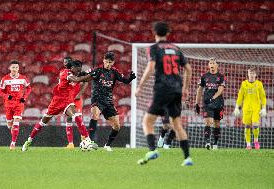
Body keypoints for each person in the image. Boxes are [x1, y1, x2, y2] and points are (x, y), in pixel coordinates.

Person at [135, 21, 193, 166]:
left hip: (162, 89)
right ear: (168, 33)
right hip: (177, 90)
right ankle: (187, 158)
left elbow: (151, 67)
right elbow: (189, 69)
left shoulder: (154, 48)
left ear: (154, 33)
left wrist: (140, 86)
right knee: (177, 124)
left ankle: (153, 149)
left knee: (147, 121)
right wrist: (185, 88)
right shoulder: (176, 48)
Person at [21, 60, 96, 151]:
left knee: (76, 116)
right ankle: (28, 140)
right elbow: (78, 79)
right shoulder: (65, 73)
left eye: (80, 70)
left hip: (67, 100)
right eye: (78, 70)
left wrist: (94, 75)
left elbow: (84, 79)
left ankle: (87, 139)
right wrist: (91, 75)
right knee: (43, 122)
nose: (79, 72)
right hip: (57, 101)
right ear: (72, 68)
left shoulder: (75, 73)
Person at [79, 51, 136, 151]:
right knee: (95, 115)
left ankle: (107, 145)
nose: (108, 64)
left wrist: (130, 78)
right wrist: (82, 73)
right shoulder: (98, 70)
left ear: (113, 62)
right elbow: (85, 74)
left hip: (108, 101)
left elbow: (125, 81)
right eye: (106, 61)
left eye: (110, 62)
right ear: (103, 60)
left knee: (117, 126)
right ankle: (89, 141)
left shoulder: (115, 72)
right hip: (97, 98)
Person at [0, 60, 32, 150]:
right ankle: (12, 131)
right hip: (8, 104)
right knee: (10, 125)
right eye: (13, 67)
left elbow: (29, 88)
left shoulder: (23, 78)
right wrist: (6, 96)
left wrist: (24, 97)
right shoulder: (5, 79)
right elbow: (0, 91)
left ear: (18, 68)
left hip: (19, 104)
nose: (15, 69)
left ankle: (13, 143)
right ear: (10, 68)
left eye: (16, 67)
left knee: (16, 121)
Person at [195, 58, 225, 150]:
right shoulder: (204, 76)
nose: (212, 64)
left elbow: (220, 90)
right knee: (208, 122)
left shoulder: (221, 76)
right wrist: (197, 103)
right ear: (208, 65)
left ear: (217, 65)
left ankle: (215, 144)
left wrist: (213, 98)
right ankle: (207, 143)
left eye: (213, 63)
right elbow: (199, 90)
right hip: (207, 103)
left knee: (217, 124)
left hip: (218, 103)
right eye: (210, 63)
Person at [234, 67, 267, 150]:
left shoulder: (259, 84)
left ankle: (256, 141)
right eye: (250, 73)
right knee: (247, 126)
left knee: (255, 125)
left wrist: (264, 108)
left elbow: (263, 97)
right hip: (246, 109)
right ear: (248, 74)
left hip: (256, 108)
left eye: (253, 73)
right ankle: (248, 144)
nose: (251, 75)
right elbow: (240, 96)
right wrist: (237, 107)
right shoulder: (244, 84)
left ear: (255, 74)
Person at [62, 57, 88, 149]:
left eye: (67, 62)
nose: (66, 64)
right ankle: (70, 144)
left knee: (78, 119)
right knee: (69, 119)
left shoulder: (77, 72)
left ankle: (84, 141)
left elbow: (86, 81)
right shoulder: (64, 73)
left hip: (76, 99)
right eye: (64, 62)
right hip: (69, 99)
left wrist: (80, 94)